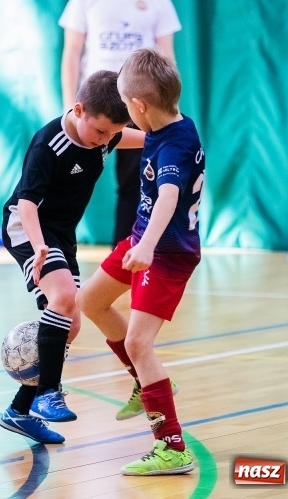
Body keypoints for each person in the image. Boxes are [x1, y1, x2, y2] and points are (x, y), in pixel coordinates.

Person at [76, 48, 204, 475]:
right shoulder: (165, 124)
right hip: (143, 239)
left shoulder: (177, 146)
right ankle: (142, 379)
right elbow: (135, 136)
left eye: (128, 108)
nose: (128, 117)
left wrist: (146, 247)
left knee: (138, 342)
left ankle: (172, 447)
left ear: (141, 105)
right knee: (90, 302)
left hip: (166, 253)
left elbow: (168, 196)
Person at [0, 70, 145, 444]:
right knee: (64, 299)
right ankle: (49, 393)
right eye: (100, 132)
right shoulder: (49, 145)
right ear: (78, 109)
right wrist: (39, 246)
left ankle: (18, 410)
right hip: (28, 228)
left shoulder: (103, 133)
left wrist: (162, 140)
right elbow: (27, 204)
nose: (105, 141)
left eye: (111, 134)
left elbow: (127, 137)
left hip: (61, 234)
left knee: (70, 323)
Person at [59, 0, 181, 246]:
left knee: (136, 186)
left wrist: (166, 111)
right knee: (71, 180)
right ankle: (53, 244)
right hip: (95, 106)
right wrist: (69, 107)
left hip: (141, 107)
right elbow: (72, 54)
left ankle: (125, 255)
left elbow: (167, 60)